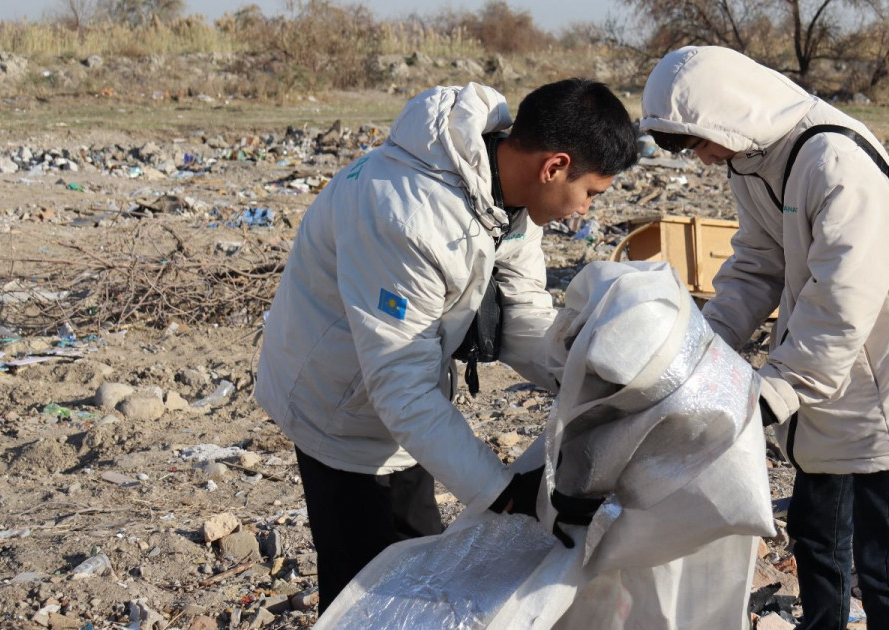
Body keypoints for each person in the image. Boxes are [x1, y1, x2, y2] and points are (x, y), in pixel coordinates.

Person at [255, 78, 639, 613]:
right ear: (554, 166)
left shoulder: (508, 201)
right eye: (591, 193)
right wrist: (504, 493)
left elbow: (522, 313)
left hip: (400, 401)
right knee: (365, 591)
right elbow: (399, 389)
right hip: (337, 409)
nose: (585, 211)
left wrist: (585, 375)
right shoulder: (406, 219)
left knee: (417, 561)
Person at [640, 46, 889, 630]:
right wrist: (702, 347)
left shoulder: (835, 163)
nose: (706, 159)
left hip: (879, 388)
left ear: (730, 112)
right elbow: (758, 262)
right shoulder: (755, 159)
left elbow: (842, 303)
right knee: (815, 540)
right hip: (817, 386)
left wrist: (772, 394)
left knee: (885, 565)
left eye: (702, 142)